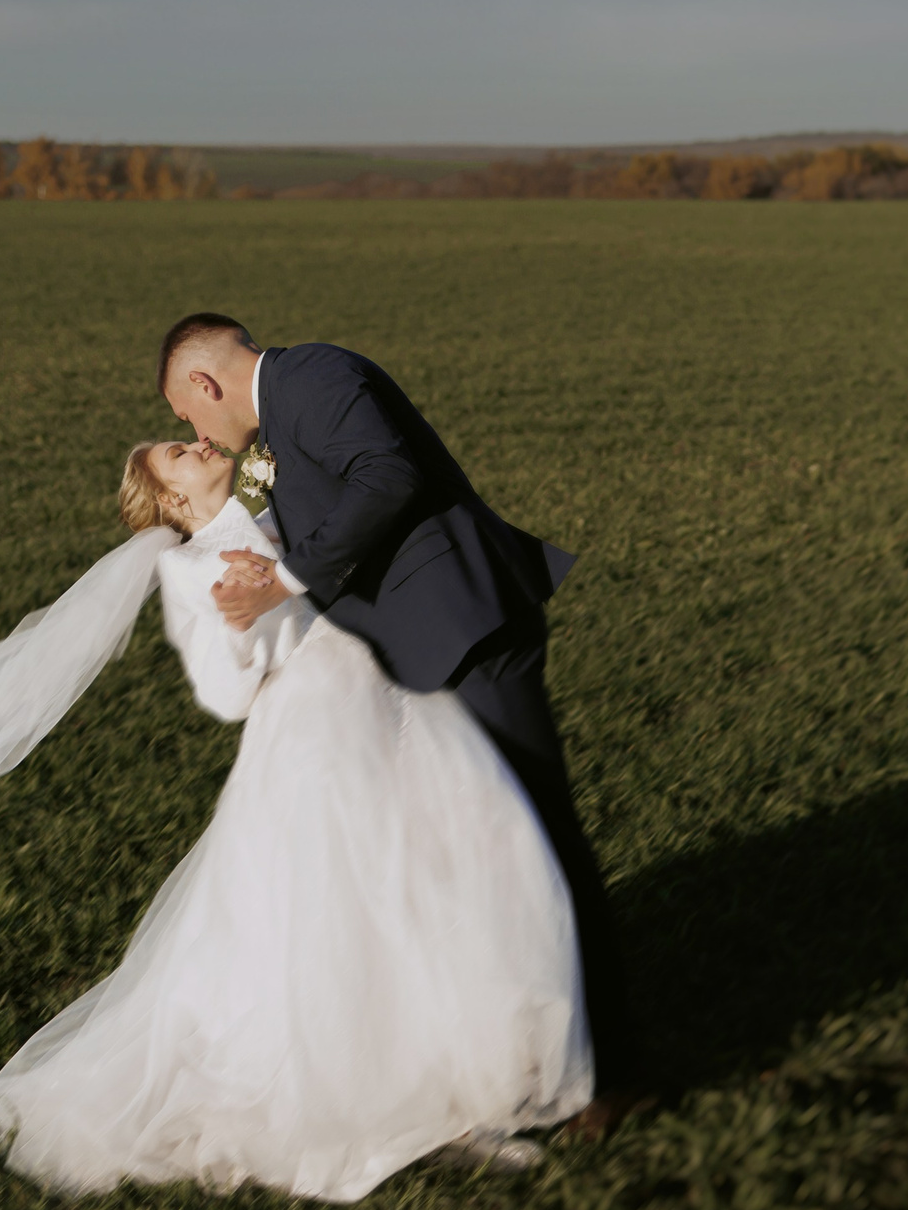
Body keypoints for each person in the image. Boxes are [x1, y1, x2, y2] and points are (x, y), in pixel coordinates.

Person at [0, 436, 589, 1201]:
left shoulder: (282, 508)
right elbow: (224, 694)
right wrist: (237, 617)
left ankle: (454, 1093)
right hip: (320, 737)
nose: (195, 443)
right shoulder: (188, 568)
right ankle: (382, 1107)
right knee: (351, 917)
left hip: (398, 702)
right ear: (173, 503)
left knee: (438, 886)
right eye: (176, 455)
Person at [158, 314, 645, 1134]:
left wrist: (283, 576)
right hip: (423, 648)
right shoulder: (276, 428)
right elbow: (285, 512)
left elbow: (390, 477)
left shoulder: (312, 376)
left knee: (540, 835)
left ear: (204, 384)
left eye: (185, 415)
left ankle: (616, 1073)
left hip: (466, 630)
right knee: (488, 853)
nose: (193, 430)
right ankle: (523, 1052)